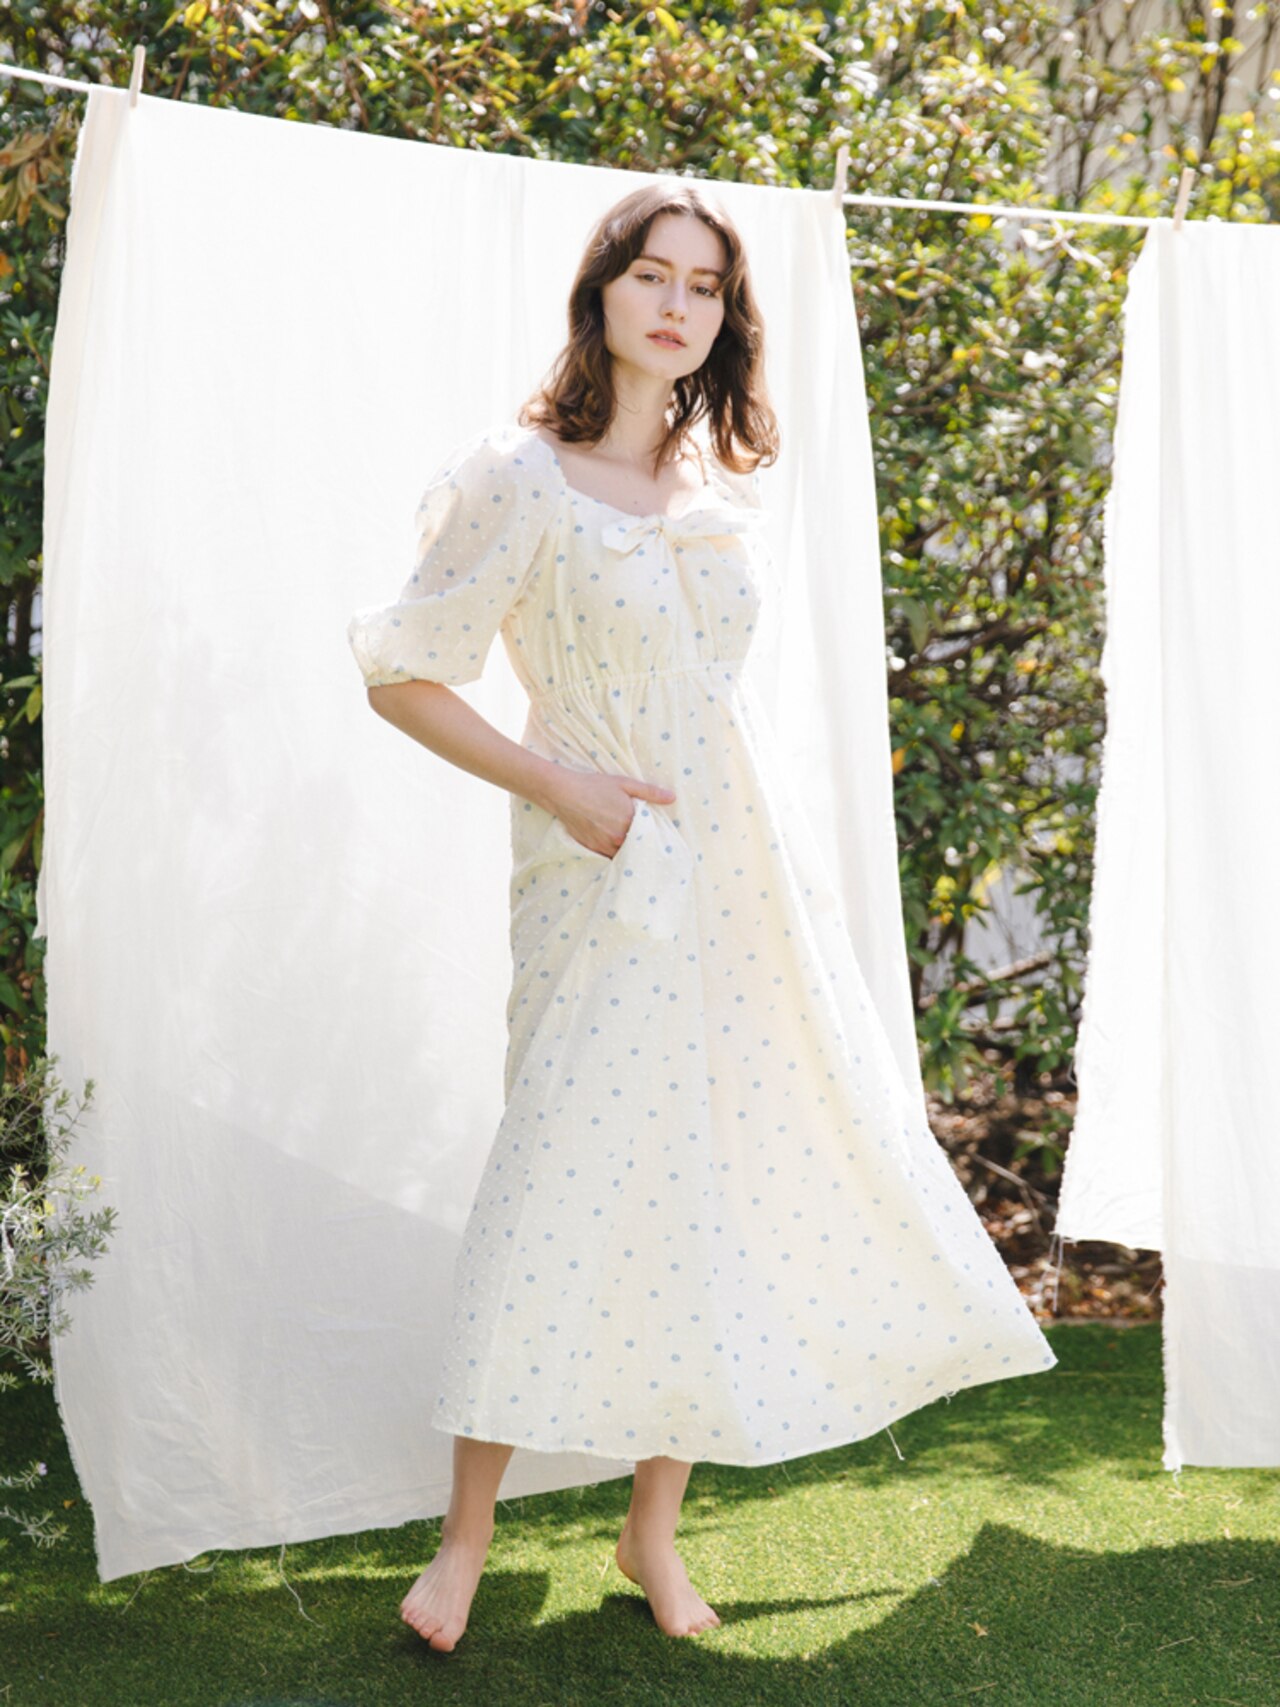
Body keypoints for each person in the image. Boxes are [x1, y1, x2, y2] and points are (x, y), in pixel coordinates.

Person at [346, 182, 1056, 1650]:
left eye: (707, 286)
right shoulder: (517, 475)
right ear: (600, 291)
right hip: (596, 871)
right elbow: (403, 674)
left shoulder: (713, 485)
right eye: (652, 276)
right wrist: (565, 788)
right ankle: (465, 1542)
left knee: (708, 1189)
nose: (678, 306)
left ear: (727, 316)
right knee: (551, 1181)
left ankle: (650, 1535)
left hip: (739, 868)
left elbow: (719, 703)